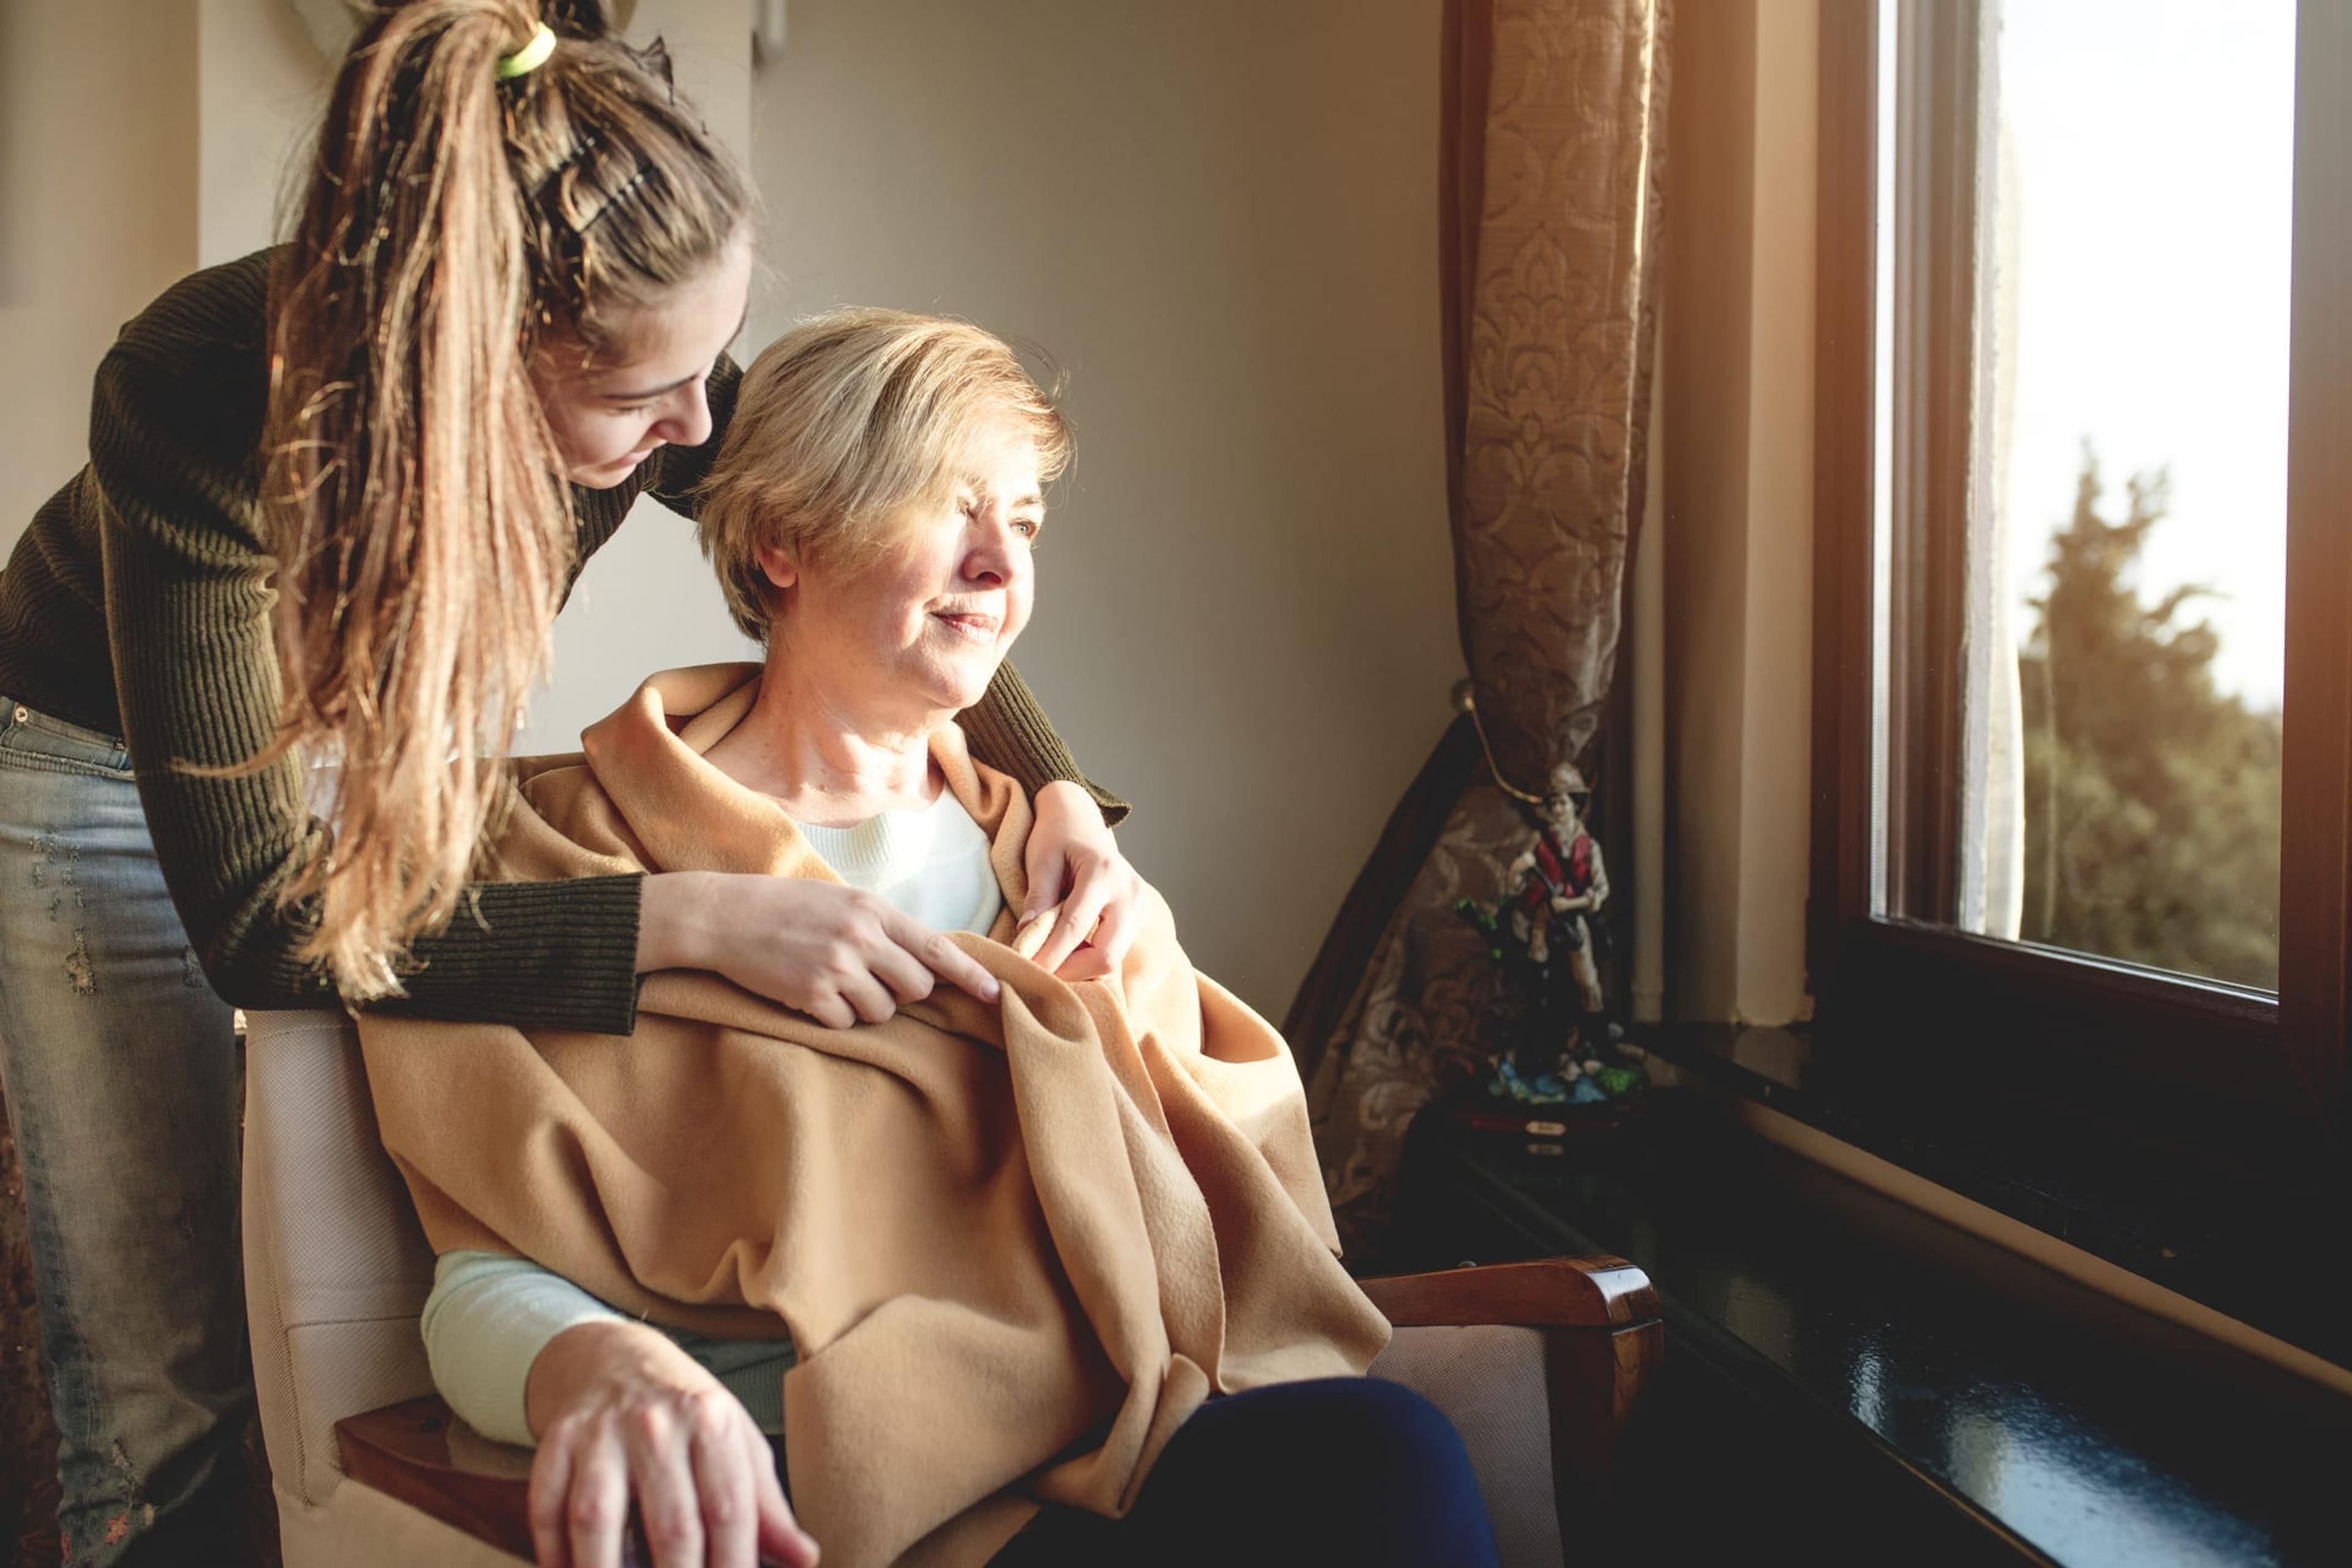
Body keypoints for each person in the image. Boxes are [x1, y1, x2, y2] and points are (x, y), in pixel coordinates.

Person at [0, 6, 1140, 1561]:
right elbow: (270, 925)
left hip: (378, 741)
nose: (695, 436)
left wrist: (1052, 780)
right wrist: (681, 919)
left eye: (704, 372)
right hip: (102, 770)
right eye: (639, 406)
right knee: (174, 1391)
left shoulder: (637, 341)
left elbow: (832, 505)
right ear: (468, 361)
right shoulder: (195, 402)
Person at [383, 309, 1502, 1568]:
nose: (1000, 566)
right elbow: (482, 1278)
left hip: (1118, 1436)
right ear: (784, 541)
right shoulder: (574, 857)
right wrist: (596, 1361)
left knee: (1384, 1452)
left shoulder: (1059, 869)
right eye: (946, 505)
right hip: (826, 1488)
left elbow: (1222, 1223)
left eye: (1022, 520)